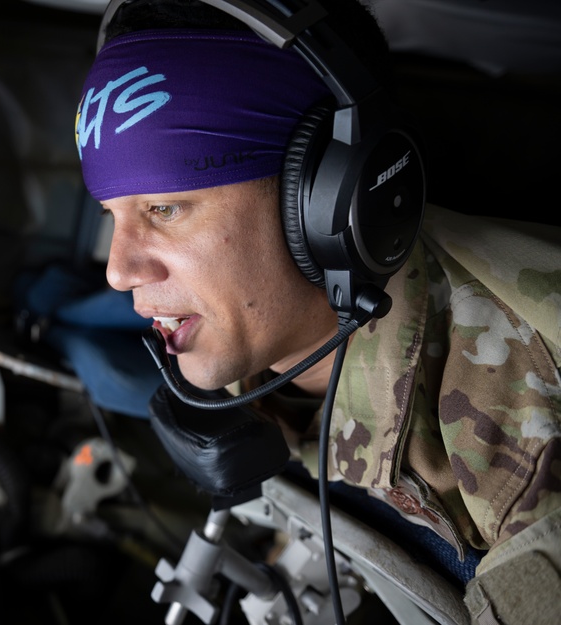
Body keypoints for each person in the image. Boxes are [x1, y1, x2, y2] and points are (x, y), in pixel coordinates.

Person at [73, 1, 561, 624]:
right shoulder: (245, 327)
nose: (117, 271)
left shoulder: (528, 422)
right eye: (111, 215)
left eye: (164, 209)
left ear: (329, 198)